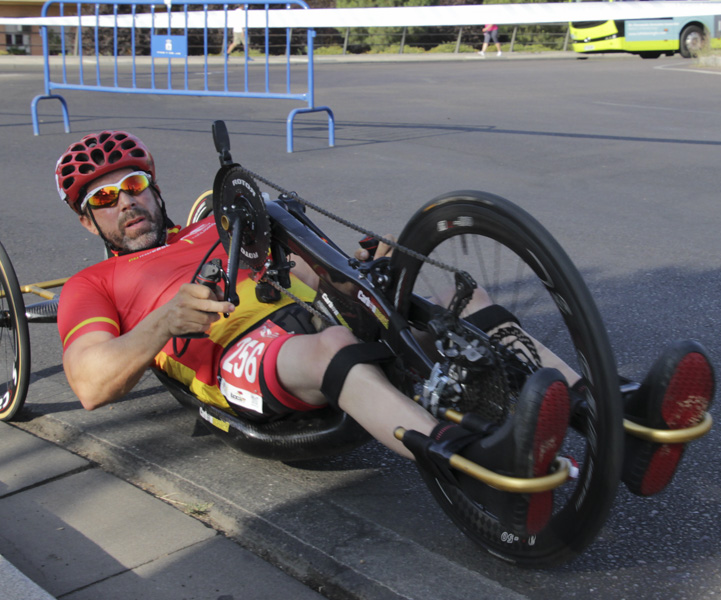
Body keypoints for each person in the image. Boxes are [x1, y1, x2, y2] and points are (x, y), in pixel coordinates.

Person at [52, 130, 572, 537]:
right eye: (105, 199)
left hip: (313, 312)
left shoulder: (217, 225)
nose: (126, 204)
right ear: (86, 222)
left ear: (155, 190)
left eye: (135, 186)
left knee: (462, 303)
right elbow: (90, 382)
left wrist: (365, 271)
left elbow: (322, 275)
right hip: (240, 351)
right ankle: (478, 468)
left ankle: (606, 404)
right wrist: (162, 322)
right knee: (331, 348)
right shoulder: (92, 282)